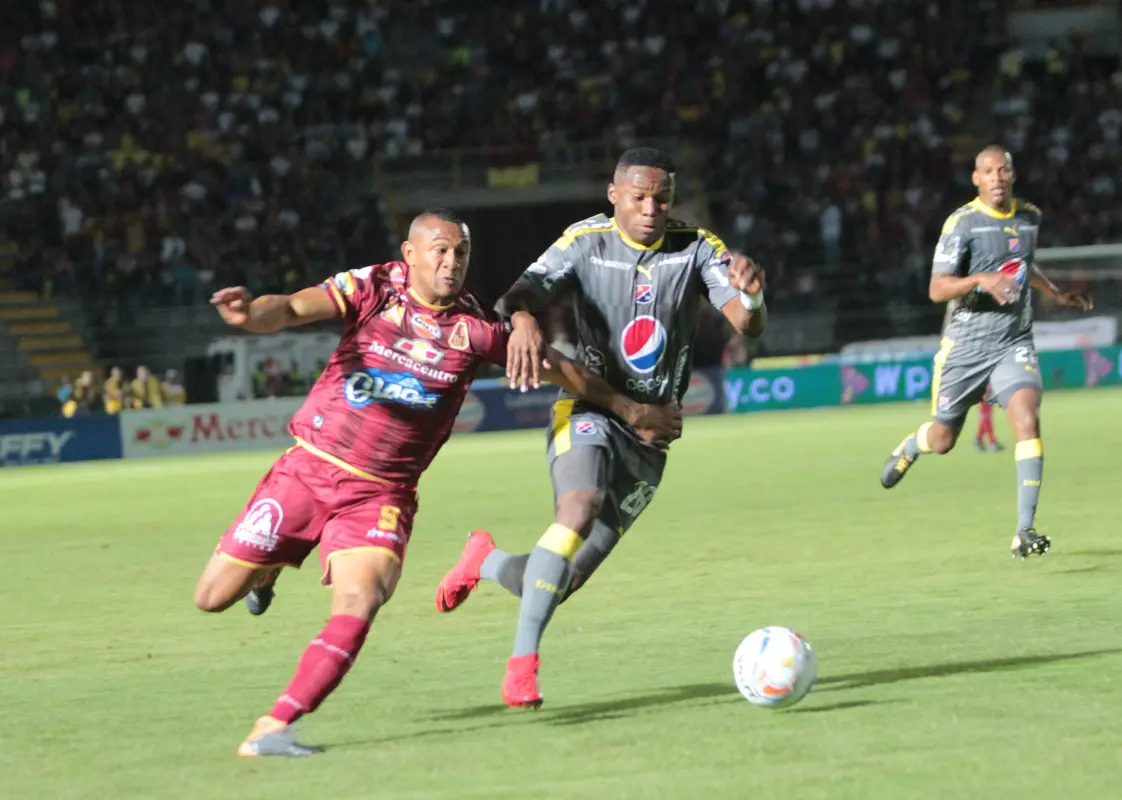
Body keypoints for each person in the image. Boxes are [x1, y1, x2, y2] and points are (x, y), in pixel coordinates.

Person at [192, 209, 681, 757]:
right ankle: (265, 573)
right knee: (211, 598)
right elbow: (289, 308)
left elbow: (561, 370)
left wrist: (633, 410)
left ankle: (275, 726)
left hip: (381, 493)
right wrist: (249, 315)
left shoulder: (476, 328)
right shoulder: (374, 287)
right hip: (308, 469)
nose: (452, 263)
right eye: (440, 251)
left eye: (461, 253)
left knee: (361, 600)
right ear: (410, 255)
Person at [433, 147, 767, 708]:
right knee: (579, 506)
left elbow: (745, 323)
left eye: (662, 198)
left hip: (652, 436)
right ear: (614, 196)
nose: (651, 209)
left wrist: (752, 296)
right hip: (590, 409)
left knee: (559, 581)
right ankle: (521, 668)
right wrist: (522, 319)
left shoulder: (696, 248)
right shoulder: (584, 241)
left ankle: (484, 561)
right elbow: (517, 295)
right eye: (639, 197)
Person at [880, 145, 1092, 558]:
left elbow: (1024, 265)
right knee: (943, 439)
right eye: (989, 172)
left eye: (1004, 170)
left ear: (1013, 175)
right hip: (966, 347)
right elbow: (937, 288)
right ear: (976, 179)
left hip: (1013, 341)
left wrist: (1055, 294)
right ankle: (911, 447)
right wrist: (981, 279)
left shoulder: (1029, 217)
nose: (997, 178)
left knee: (1027, 419)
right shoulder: (962, 224)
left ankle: (1024, 530)